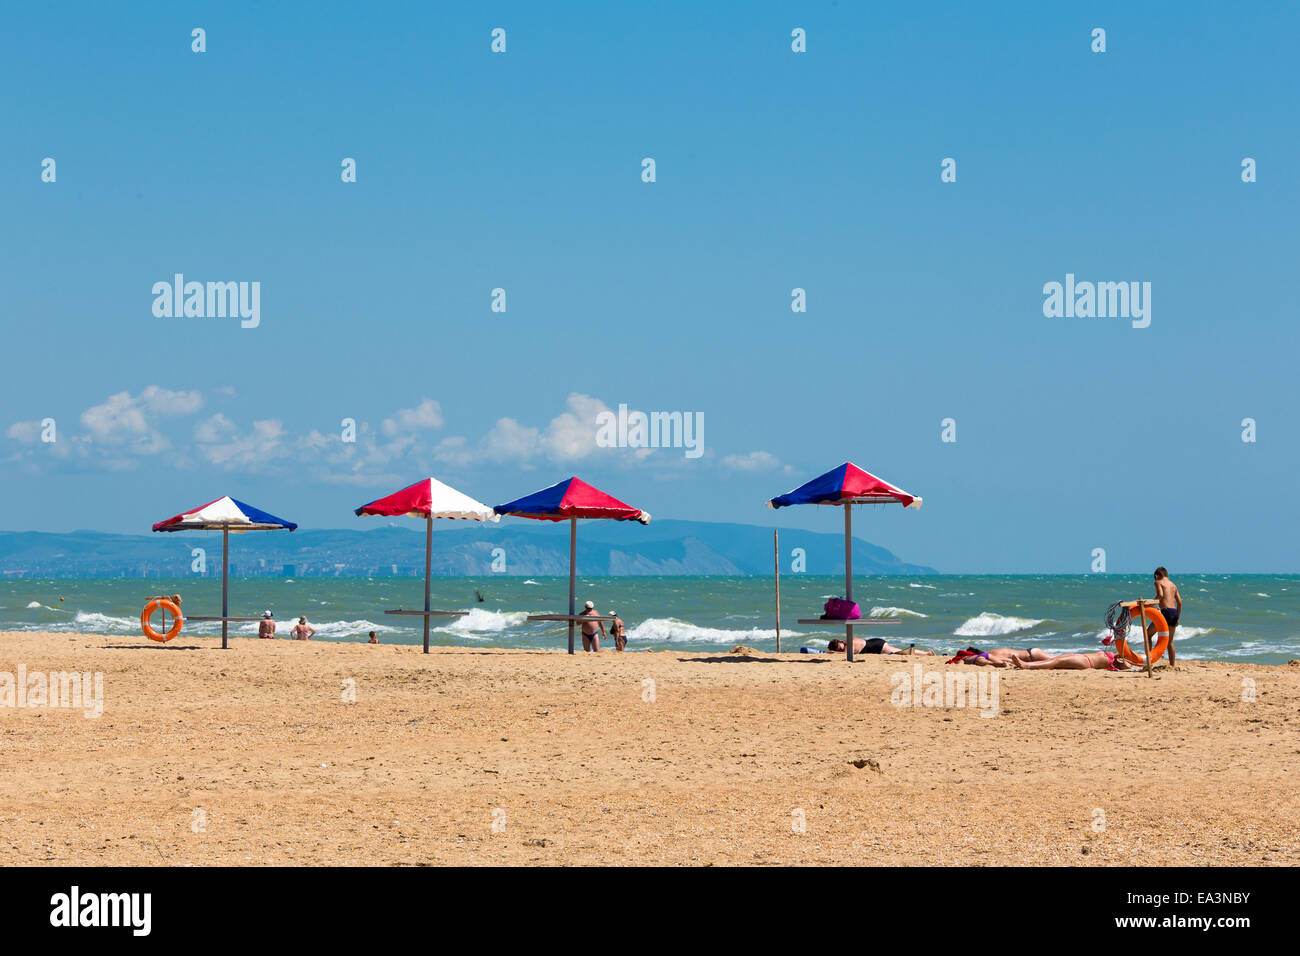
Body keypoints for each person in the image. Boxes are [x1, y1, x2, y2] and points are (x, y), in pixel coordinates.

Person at [1153, 567, 1182, 666]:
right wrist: (1177, 617)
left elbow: (1160, 595)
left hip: (1165, 612)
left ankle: (1148, 663)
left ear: (1157, 575)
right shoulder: (1173, 585)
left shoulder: (1158, 582)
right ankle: (1172, 665)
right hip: (1174, 613)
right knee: (1170, 642)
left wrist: (1153, 602)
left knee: (1148, 634)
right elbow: (1180, 603)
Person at [1010, 650, 1132, 671]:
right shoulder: (1119, 656)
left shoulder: (1123, 663)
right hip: (1082, 658)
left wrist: (1129, 658)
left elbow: (1127, 666)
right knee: (1055, 660)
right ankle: (1027, 664)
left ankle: (1027, 666)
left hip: (1086, 662)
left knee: (1055, 662)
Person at [950, 646, 1053, 667]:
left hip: (1031, 655)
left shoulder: (991, 654)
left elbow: (1007, 659)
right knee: (1059, 659)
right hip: (1031, 653)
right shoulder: (993, 651)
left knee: (1059, 660)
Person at [827, 637, 935, 655]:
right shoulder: (848, 641)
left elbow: (845, 654)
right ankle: (926, 653)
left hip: (876, 646)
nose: (840, 650)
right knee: (900, 652)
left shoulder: (848, 643)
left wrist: (833, 652)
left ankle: (927, 653)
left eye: (839, 648)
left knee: (900, 652)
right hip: (875, 643)